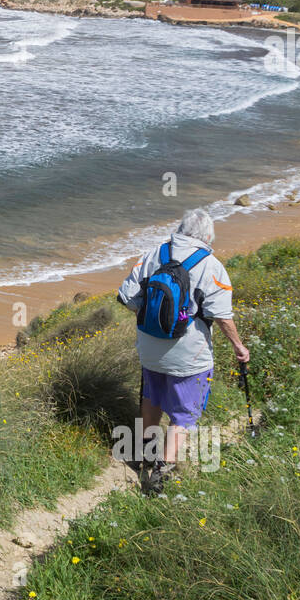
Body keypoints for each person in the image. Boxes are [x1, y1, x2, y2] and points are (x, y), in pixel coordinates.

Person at [117, 209, 249, 494]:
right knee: (183, 415)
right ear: (208, 237)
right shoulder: (212, 266)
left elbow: (126, 297)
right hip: (189, 356)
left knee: (152, 397)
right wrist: (239, 347)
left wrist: (155, 317)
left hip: (150, 348)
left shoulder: (154, 254)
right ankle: (160, 473)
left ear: (180, 228)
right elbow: (223, 317)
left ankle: (143, 452)